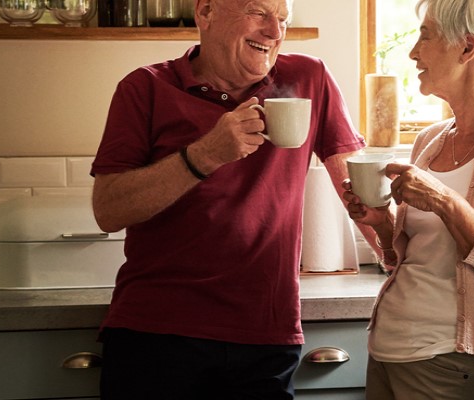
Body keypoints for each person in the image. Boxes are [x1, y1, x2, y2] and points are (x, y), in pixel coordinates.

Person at [87, 0, 366, 396]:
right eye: (258, 12)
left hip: (266, 336)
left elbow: (358, 190)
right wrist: (206, 154)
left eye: (282, 19)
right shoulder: (144, 88)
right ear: (206, 13)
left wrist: (401, 262)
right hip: (156, 334)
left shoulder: (309, 78)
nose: (274, 31)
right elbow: (108, 210)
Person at [342, 0, 474, 399]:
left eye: (425, 35)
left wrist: (445, 201)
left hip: (451, 362)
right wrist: (382, 223)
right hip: (388, 350)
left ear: (467, 48)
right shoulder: (430, 140)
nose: (413, 52)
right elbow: (414, 258)